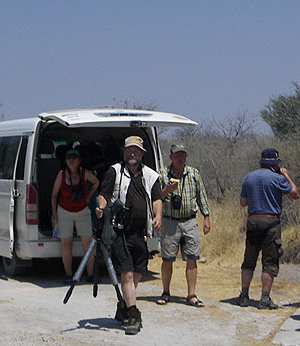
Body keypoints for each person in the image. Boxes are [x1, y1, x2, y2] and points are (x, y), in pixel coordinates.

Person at [95, 136, 164, 335]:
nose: (132, 153)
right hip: (119, 231)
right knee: (127, 273)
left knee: (139, 271)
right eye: (129, 150)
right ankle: (133, 315)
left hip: (140, 232)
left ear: (142, 154)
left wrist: (158, 215)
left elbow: (157, 198)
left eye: (136, 151)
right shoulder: (114, 172)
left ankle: (123, 306)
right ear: (124, 153)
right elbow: (104, 194)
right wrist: (101, 207)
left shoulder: (151, 175)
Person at [238, 148, 299, 309]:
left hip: (253, 220)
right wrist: (285, 175)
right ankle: (264, 298)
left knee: (249, 259)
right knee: (270, 261)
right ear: (275, 163)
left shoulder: (249, 177)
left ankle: (244, 295)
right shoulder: (278, 178)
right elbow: (295, 193)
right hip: (271, 222)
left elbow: (243, 203)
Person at [156, 144, 211, 307]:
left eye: (183, 155)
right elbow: (157, 197)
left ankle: (191, 294)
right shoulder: (162, 174)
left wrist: (206, 217)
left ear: (186, 157)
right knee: (167, 259)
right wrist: (168, 189)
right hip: (170, 221)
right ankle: (166, 292)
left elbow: (202, 196)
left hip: (189, 221)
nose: (180, 158)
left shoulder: (193, 173)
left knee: (192, 258)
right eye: (177, 155)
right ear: (171, 157)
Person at [51, 148, 99, 283]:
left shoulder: (84, 173)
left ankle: (90, 274)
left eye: (74, 158)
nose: (72, 161)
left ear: (79, 160)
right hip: (64, 211)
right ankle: (69, 275)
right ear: (65, 161)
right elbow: (54, 195)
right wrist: (54, 214)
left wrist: (89, 196)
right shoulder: (61, 175)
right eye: (69, 158)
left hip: (82, 210)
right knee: (66, 244)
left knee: (88, 244)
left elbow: (96, 182)